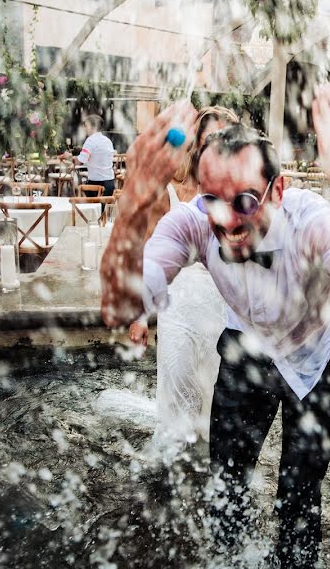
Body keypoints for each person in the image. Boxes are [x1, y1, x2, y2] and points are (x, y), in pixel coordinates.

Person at [100, 80, 330, 567]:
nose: (228, 222)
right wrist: (134, 199)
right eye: (212, 202)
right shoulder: (194, 222)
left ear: (278, 189)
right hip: (246, 349)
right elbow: (118, 308)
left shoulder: (314, 222)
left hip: (318, 359)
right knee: (225, 483)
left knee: (299, 495)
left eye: (245, 202)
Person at [95, 106, 240, 443]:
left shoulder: (239, 195)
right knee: (175, 403)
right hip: (178, 309)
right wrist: (142, 317)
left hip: (222, 312)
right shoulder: (173, 191)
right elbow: (148, 252)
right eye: (210, 141)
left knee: (214, 413)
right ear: (197, 145)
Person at [61, 114, 116, 196]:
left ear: (93, 127)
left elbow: (79, 162)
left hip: (96, 184)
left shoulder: (90, 141)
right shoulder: (108, 141)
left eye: (86, 125)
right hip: (110, 182)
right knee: (105, 208)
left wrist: (68, 156)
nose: (84, 128)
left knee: (93, 207)